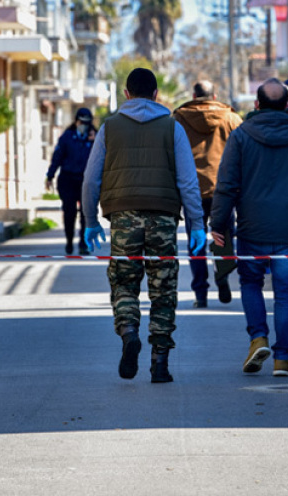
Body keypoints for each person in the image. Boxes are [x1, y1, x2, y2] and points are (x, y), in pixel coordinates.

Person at [82, 68, 206, 383]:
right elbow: (188, 182)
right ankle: (160, 364)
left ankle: (128, 332)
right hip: (163, 217)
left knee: (124, 282)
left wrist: (90, 220)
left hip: (122, 216)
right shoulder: (172, 128)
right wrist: (196, 225)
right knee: (163, 289)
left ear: (126, 94)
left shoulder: (109, 128)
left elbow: (90, 178)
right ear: (155, 95)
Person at [211, 79, 288, 377]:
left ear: (257, 105)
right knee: (286, 293)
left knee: (251, 284)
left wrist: (219, 223)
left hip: (252, 229)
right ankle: (282, 359)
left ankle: (258, 338)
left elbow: (226, 185)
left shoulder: (240, 137)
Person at [172, 79, 243, 307]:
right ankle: (222, 276)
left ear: (193, 96)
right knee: (223, 237)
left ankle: (200, 293)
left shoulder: (178, 120)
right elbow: (244, 150)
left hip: (191, 189)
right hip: (224, 189)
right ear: (214, 97)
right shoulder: (231, 118)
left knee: (196, 240)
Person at [46, 107, 96, 255]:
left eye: (87, 123)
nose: (84, 125)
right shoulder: (67, 137)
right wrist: (50, 175)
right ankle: (69, 241)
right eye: (81, 122)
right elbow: (57, 157)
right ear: (76, 121)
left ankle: (83, 243)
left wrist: (95, 142)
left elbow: (102, 158)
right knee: (69, 212)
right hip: (67, 179)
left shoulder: (95, 137)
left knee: (86, 214)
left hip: (86, 180)